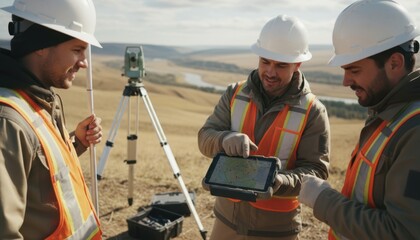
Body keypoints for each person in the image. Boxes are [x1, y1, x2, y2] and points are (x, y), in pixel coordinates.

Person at [198, 15, 330, 240]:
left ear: (297, 64)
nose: (270, 72)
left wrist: (279, 181)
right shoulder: (234, 93)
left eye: (281, 65)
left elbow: (316, 171)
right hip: (226, 221)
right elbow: (205, 138)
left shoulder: (313, 112)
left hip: (276, 229)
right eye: (265, 61)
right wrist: (224, 139)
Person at [298, 0, 420, 239]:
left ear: (394, 63)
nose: (345, 81)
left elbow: (402, 233)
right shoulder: (390, 115)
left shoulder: (415, 132)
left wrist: (324, 200)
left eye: (354, 70)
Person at [0, 0, 104, 239]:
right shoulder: (8, 121)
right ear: (40, 44)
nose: (84, 62)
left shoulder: (37, 99)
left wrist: (76, 143)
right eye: (77, 50)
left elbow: (38, 171)